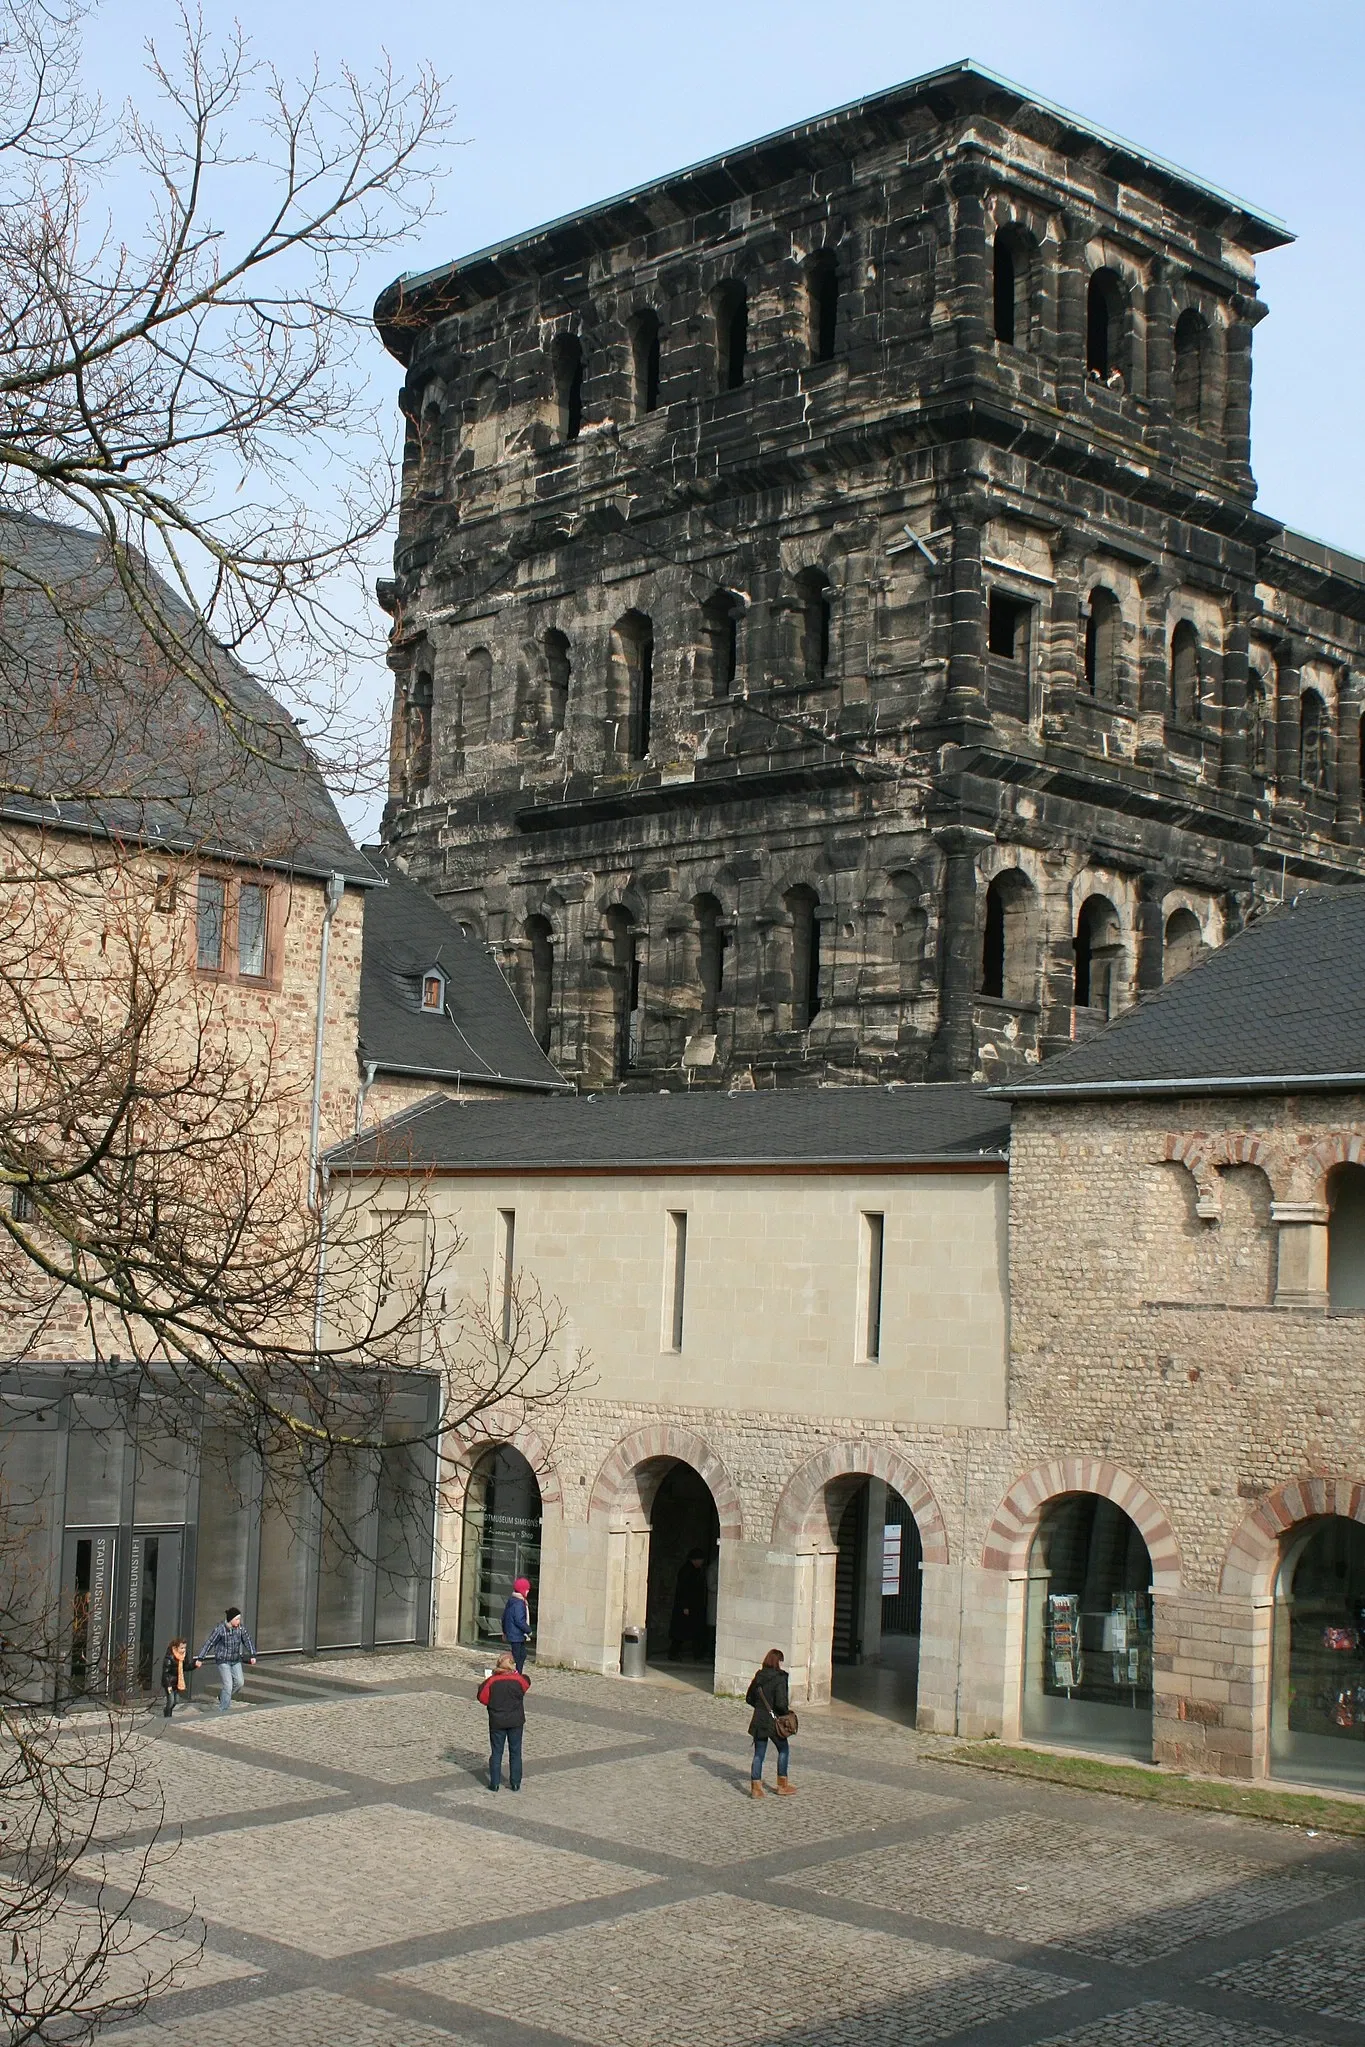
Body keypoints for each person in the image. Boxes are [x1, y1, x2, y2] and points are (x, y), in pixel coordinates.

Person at [746, 1646, 796, 1797]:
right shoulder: (779, 1679)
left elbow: (749, 1698)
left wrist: (761, 1708)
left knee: (759, 1754)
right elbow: (781, 1704)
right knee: (783, 1750)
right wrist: (785, 1713)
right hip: (774, 1722)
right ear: (778, 1662)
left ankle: (756, 1788)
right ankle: (782, 1785)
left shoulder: (759, 1677)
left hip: (759, 1720)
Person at [478, 1651, 530, 1792]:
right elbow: (526, 1684)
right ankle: (515, 1783)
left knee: (496, 1752)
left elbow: (482, 1697)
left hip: (497, 1721)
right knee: (515, 1752)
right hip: (515, 1721)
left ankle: (494, 1783)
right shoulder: (518, 1680)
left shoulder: (492, 1681)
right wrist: (516, 1673)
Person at [193, 1605, 257, 1713]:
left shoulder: (240, 1629)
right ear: (231, 1619)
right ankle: (223, 1710)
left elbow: (248, 1641)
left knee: (240, 1683)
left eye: (239, 1619)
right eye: (236, 1619)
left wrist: (253, 1655)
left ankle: (223, 1696)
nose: (238, 1621)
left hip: (235, 1660)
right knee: (228, 1685)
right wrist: (200, 1658)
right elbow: (209, 1643)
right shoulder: (220, 1629)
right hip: (223, 1661)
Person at [670, 1548, 710, 1661]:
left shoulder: (695, 1571)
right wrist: (685, 1606)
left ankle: (697, 1654)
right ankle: (674, 1653)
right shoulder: (686, 1571)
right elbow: (683, 1590)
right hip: (687, 1607)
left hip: (694, 1605)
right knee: (681, 1632)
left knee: (694, 1631)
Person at [501, 1577, 533, 1673]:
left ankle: (517, 1672)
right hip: (516, 1634)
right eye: (527, 1589)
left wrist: (505, 1631)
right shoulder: (519, 1603)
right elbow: (519, 1620)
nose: (528, 1592)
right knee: (518, 1656)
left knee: (522, 1655)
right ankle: (516, 1673)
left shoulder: (513, 1600)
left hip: (514, 1633)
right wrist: (528, 1630)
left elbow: (504, 1617)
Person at [160, 1637, 189, 1719]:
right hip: (169, 1682)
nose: (183, 1650)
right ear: (176, 1648)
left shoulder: (183, 1656)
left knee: (176, 1701)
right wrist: (168, 1685)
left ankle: (167, 1710)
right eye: (182, 1648)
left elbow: (186, 1667)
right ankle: (168, 1716)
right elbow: (165, 1673)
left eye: (184, 1647)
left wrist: (195, 1665)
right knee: (171, 1700)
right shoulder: (170, 1657)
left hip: (177, 1682)